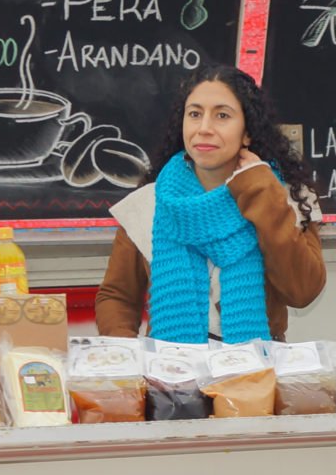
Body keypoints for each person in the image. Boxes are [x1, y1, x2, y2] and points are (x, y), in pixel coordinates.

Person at [95, 65, 324, 344]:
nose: (204, 129)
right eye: (194, 114)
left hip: (255, 374)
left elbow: (301, 292)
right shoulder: (149, 204)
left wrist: (262, 192)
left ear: (247, 132)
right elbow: (117, 297)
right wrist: (129, 360)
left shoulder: (287, 197)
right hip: (170, 372)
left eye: (222, 116)